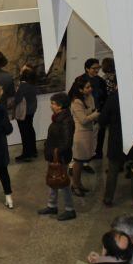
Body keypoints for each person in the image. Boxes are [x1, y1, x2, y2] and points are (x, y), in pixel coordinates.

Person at [38, 92, 76, 221]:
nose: (51, 105)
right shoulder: (58, 118)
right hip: (54, 155)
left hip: (60, 157)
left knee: (63, 182)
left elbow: (67, 142)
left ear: (60, 106)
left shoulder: (66, 121)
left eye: (53, 103)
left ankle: (70, 209)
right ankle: (52, 205)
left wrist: (55, 152)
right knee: (53, 180)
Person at [98, 73, 128, 207]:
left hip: (116, 138)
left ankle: (108, 198)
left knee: (113, 170)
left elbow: (103, 119)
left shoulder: (113, 98)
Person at [69, 77, 100, 192]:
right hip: (81, 135)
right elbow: (83, 120)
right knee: (78, 161)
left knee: (82, 161)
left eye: (90, 86)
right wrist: (96, 114)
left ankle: (79, 184)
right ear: (80, 89)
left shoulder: (89, 97)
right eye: (87, 87)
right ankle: (75, 185)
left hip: (89, 132)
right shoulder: (76, 102)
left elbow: (91, 111)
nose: (90, 89)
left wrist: (94, 114)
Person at [12, 65, 39, 162]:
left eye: (22, 70)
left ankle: (26, 154)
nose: (21, 70)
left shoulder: (23, 86)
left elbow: (17, 99)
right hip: (31, 111)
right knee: (30, 130)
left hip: (24, 112)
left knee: (24, 133)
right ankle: (33, 151)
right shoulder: (33, 84)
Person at [96, 58, 117, 159]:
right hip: (117, 108)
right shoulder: (118, 77)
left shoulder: (104, 79)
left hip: (107, 107)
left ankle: (100, 152)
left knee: (104, 131)